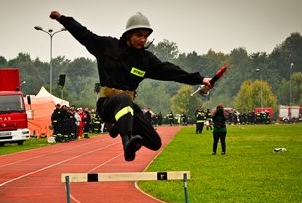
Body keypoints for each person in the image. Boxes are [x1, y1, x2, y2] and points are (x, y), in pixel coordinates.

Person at [49, 11, 212, 161]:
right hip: (107, 105)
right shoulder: (107, 47)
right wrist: (62, 19)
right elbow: (83, 34)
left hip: (128, 107)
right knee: (123, 99)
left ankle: (121, 127)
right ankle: (126, 141)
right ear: (128, 34)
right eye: (139, 35)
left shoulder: (146, 60)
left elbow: (171, 71)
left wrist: (200, 79)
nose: (142, 40)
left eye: (145, 37)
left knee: (155, 143)